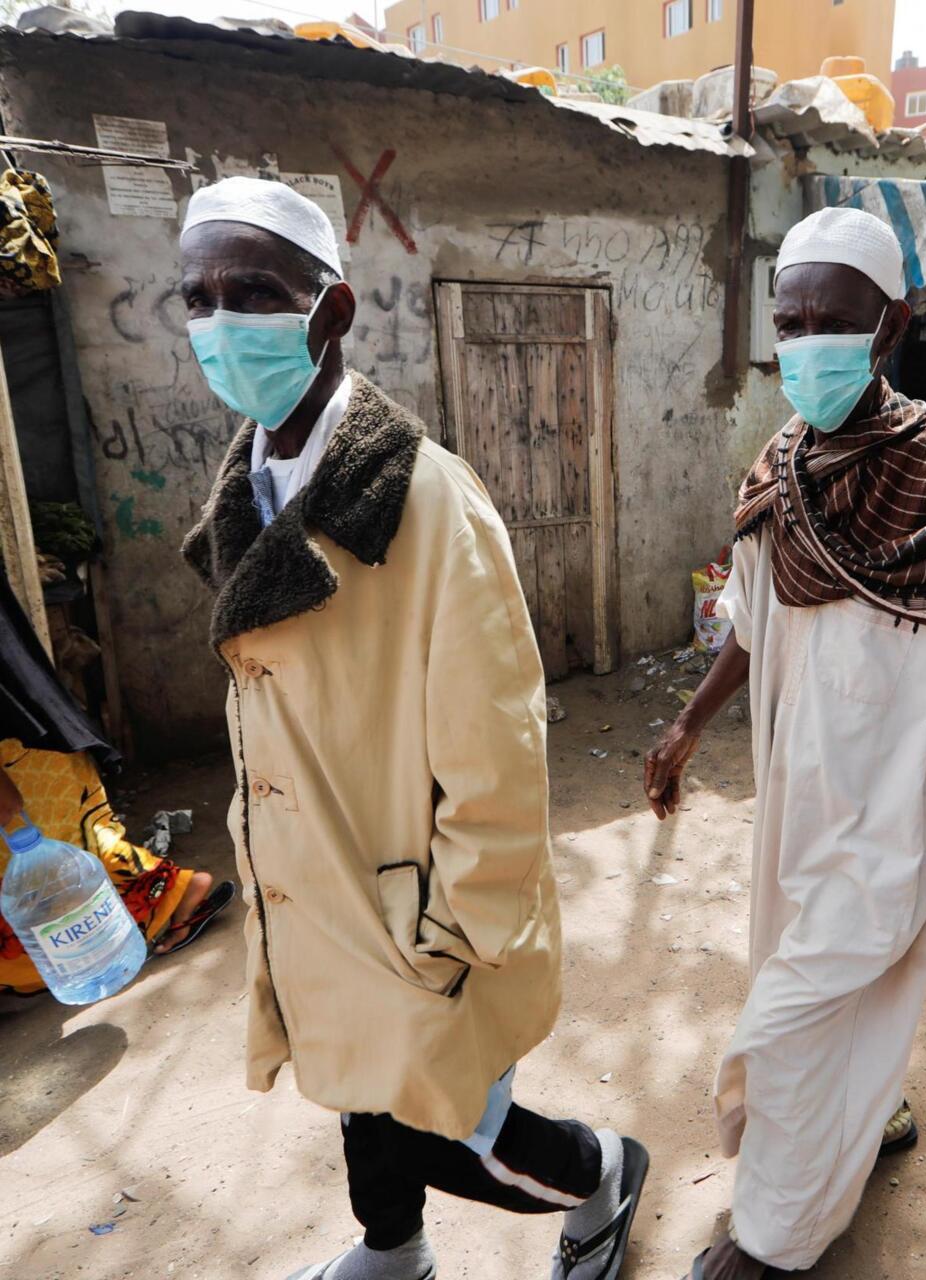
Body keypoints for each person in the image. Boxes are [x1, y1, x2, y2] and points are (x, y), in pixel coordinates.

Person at [178, 177, 645, 1280]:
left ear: (328, 312)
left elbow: (497, 751)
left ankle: (606, 1173)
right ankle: (393, 1252)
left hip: (411, 907)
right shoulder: (244, 485)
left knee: (454, 1125)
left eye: (252, 291)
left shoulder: (428, 501)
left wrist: (450, 931)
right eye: (196, 296)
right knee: (353, 1091)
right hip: (317, 886)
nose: (219, 322)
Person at [643, 207, 926, 1280]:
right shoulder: (781, 466)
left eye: (834, 316)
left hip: (894, 807)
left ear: (889, 323)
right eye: (790, 318)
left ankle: (775, 1238)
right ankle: (867, 1119)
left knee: (790, 1016)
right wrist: (689, 720)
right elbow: (748, 615)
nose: (808, 337)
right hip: (792, 796)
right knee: (826, 992)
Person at [0, 570, 230, 997]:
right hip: (29, 731)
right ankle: (167, 897)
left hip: (14, 746)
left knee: (53, 849)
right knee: (68, 841)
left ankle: (174, 896)